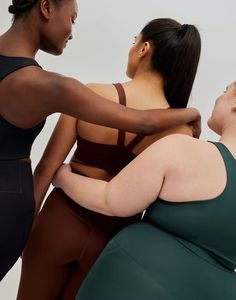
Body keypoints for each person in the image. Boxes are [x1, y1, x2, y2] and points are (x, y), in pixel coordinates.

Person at [0, 0, 201, 281]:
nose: (71, 31)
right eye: (72, 19)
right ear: (46, 7)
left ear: (145, 49)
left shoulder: (80, 91)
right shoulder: (181, 133)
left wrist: (31, 226)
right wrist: (191, 112)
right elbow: (144, 124)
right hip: (110, 240)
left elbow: (47, 168)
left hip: (56, 222)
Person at [52, 81, 236, 300]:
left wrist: (63, 177)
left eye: (225, 91)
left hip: (133, 286)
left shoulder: (186, 150)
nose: (218, 97)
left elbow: (110, 200)